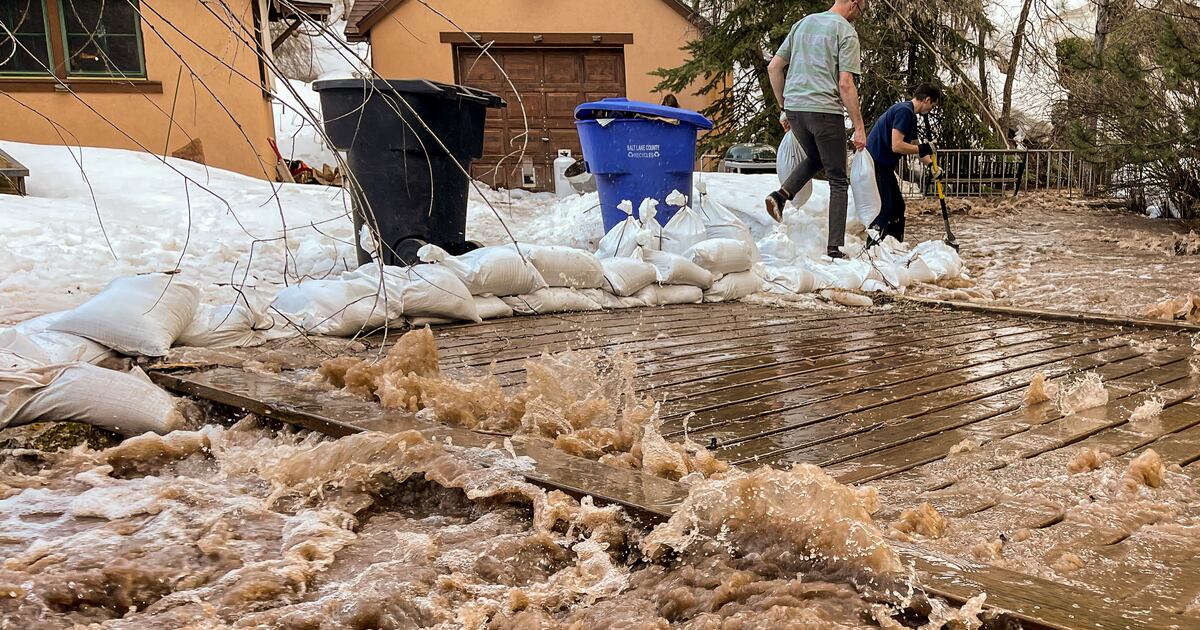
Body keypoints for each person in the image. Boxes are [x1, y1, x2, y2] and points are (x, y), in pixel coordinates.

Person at [765, 0, 868, 259]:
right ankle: (835, 248)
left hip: (797, 110)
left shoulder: (803, 23)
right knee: (838, 179)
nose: (859, 16)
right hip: (824, 110)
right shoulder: (845, 31)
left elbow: (774, 67)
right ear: (855, 4)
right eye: (862, 11)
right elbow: (845, 83)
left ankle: (780, 195)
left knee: (815, 158)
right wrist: (859, 126)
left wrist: (783, 108)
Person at [865, 83, 942, 243]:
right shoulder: (904, 112)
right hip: (876, 164)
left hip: (884, 166)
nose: (931, 111)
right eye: (932, 106)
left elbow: (916, 147)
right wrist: (924, 147)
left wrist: (931, 166)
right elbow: (897, 145)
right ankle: (872, 248)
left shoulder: (910, 116)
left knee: (898, 207)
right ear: (927, 100)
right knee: (885, 208)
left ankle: (893, 246)